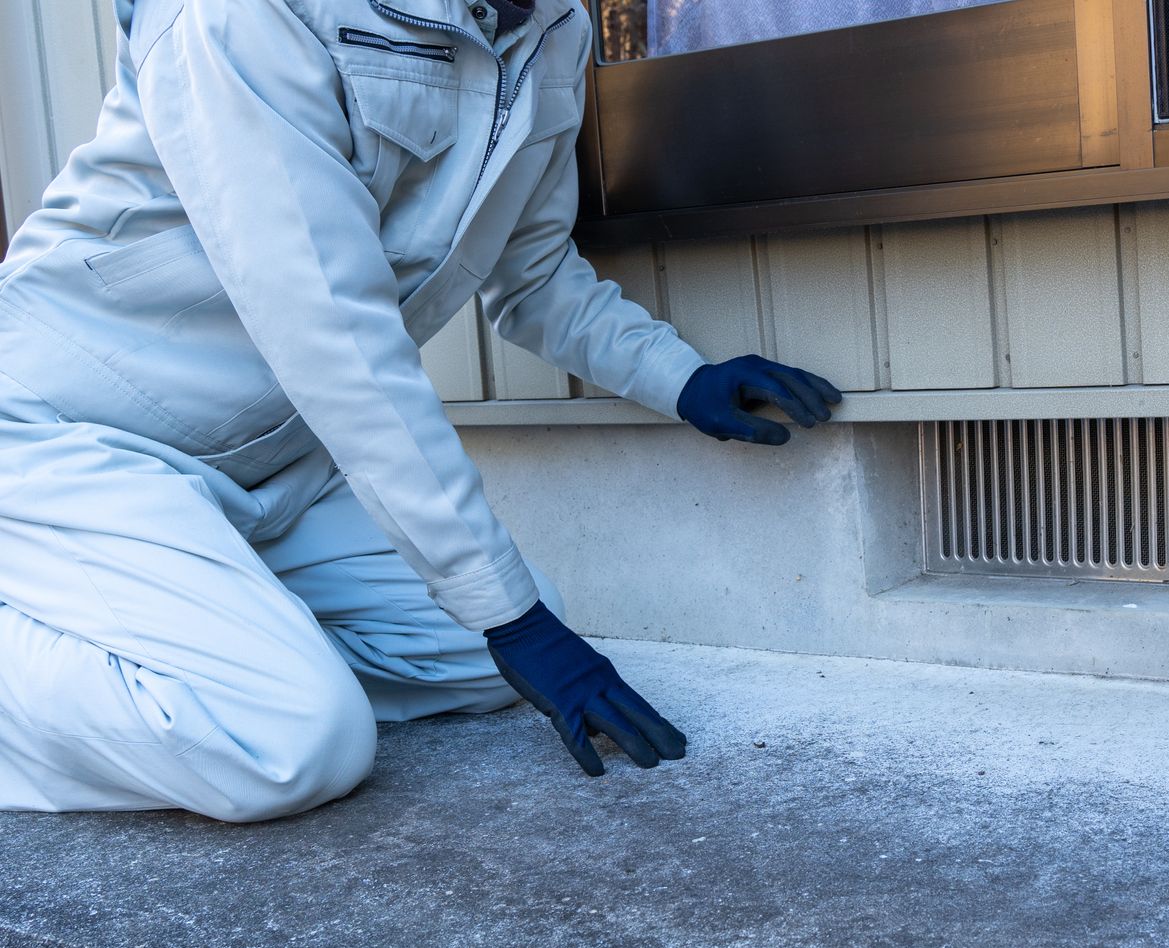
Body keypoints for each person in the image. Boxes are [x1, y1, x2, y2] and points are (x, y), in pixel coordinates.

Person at [0, 0, 841, 821]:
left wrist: (682, 378)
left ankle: (230, 638)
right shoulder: (239, 14)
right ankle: (228, 666)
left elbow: (536, 275)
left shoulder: (551, 27)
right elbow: (330, 330)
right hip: (66, 434)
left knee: (473, 661)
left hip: (263, 470)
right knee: (295, 742)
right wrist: (510, 615)